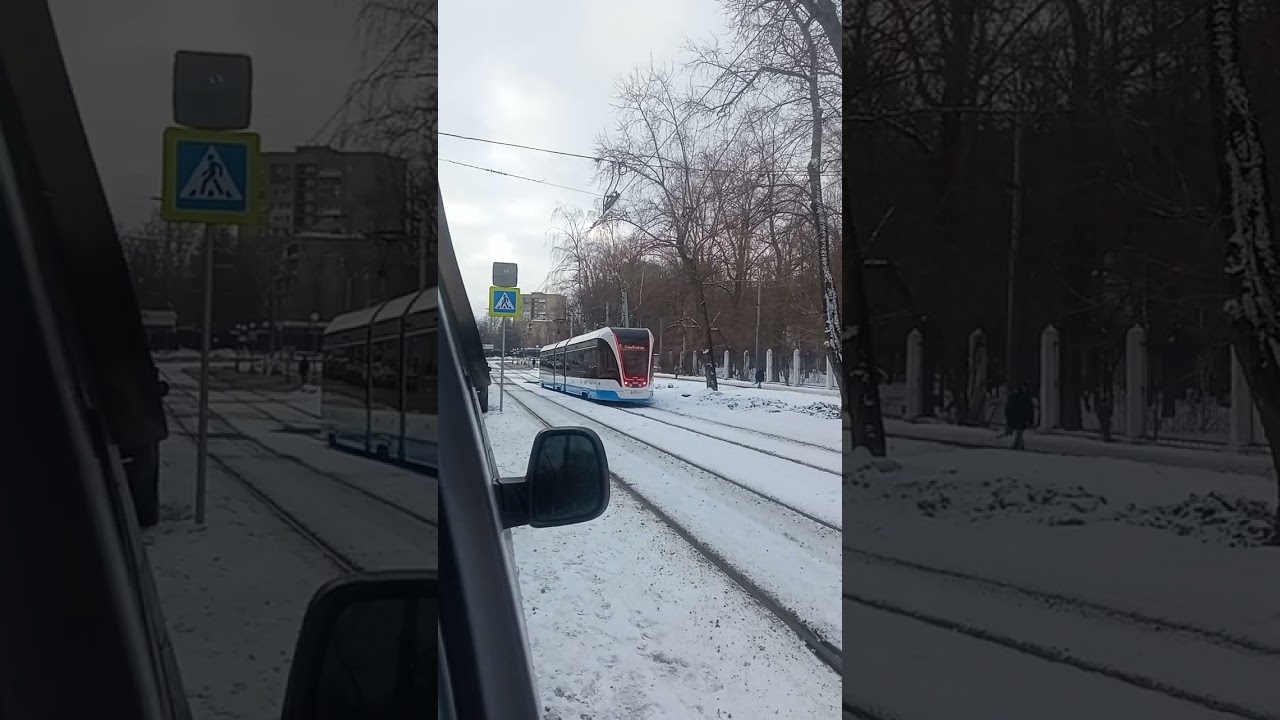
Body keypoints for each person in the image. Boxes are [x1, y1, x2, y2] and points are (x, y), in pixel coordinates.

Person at [1005, 383, 1035, 450]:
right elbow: (1029, 409)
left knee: (1019, 431)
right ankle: (1018, 444)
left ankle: (1019, 445)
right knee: (1019, 432)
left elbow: (1027, 409)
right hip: (1020, 417)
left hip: (1020, 417)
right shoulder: (1024, 396)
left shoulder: (1020, 397)